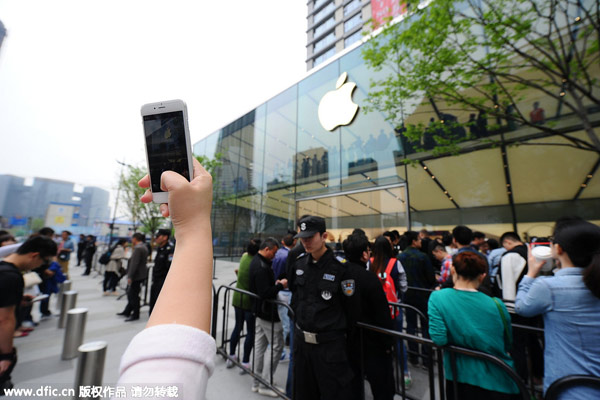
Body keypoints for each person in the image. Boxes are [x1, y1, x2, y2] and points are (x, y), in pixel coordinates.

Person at [115, 158, 216, 399]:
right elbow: (173, 367)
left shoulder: (165, 247)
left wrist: (191, 225)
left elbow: (170, 362)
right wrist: (194, 223)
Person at [515, 218, 600, 399]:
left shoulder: (549, 287)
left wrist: (530, 273)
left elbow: (522, 307)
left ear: (558, 249)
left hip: (570, 388)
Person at [428, 251, 520, 400]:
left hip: (458, 375)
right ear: (482, 276)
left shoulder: (438, 297)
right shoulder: (497, 304)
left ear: (453, 271)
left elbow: (439, 338)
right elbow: (508, 342)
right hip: (499, 376)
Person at [287, 215, 357, 400]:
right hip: (302, 347)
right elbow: (295, 298)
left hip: (330, 349)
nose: (305, 241)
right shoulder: (299, 264)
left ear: (324, 236)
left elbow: (351, 311)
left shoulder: (341, 268)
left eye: (310, 237)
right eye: (302, 237)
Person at [0, 236, 57, 394]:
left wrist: (17, 300)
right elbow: (4, 320)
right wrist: (6, 354)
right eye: (43, 261)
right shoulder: (12, 276)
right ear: (34, 255)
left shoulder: (2, 266)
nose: (40, 266)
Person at [343, 233, 396, 400]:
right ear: (365, 254)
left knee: (353, 385)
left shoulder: (339, 274)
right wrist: (388, 341)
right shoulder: (369, 278)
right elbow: (382, 313)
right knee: (382, 387)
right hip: (373, 343)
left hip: (348, 339)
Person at [367, 235, 410, 389]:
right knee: (398, 341)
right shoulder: (396, 263)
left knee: (378, 342)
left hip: (375, 311)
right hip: (394, 309)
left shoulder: (370, 263)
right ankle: (404, 374)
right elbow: (404, 285)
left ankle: (381, 375)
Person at [248, 237, 286, 397]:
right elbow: (265, 293)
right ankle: (265, 382)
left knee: (260, 347)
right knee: (277, 346)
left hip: (259, 311)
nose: (275, 256)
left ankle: (258, 382)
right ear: (267, 249)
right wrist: (280, 285)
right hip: (267, 313)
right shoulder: (262, 267)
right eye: (274, 252)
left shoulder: (256, 261)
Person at [397, 230, 436, 365]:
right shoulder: (423, 257)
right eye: (419, 239)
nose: (421, 241)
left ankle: (413, 356)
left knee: (411, 325)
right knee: (426, 326)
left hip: (407, 295)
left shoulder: (400, 257)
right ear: (414, 241)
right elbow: (431, 278)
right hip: (423, 295)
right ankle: (427, 358)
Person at [227, 239, 260, 370]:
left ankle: (231, 356)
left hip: (238, 298)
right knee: (250, 331)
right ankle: (245, 361)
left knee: (237, 327)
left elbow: (239, 272)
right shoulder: (256, 262)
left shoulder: (244, 257)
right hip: (249, 301)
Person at [117, 233, 148, 322]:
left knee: (133, 295)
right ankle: (127, 311)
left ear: (135, 239)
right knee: (132, 293)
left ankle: (135, 314)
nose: (131, 240)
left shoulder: (138, 248)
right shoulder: (144, 246)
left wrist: (130, 276)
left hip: (136, 275)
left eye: (132, 238)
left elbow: (134, 264)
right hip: (140, 275)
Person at [271, 233, 295, 349]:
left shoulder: (278, 253)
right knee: (286, 323)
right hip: (285, 290)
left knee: (280, 322)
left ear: (283, 242)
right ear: (294, 242)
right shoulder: (290, 255)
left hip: (278, 287)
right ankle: (282, 348)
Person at [149, 230, 174, 315]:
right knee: (152, 302)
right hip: (155, 280)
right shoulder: (160, 248)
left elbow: (169, 267)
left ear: (165, 237)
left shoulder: (170, 250)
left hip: (163, 281)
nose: (156, 238)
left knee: (158, 303)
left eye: (158, 236)